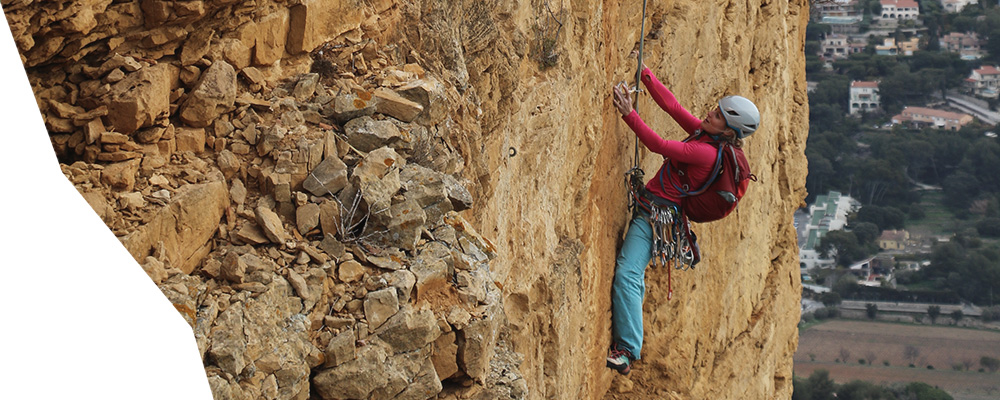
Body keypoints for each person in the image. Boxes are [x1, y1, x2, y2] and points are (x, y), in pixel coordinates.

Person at [606, 61, 760, 375]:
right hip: (656, 211)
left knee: (627, 274)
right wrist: (644, 72)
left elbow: (659, 145)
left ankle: (626, 351)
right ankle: (628, 343)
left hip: (656, 217)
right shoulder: (707, 136)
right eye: (715, 109)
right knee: (633, 274)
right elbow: (673, 107)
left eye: (717, 115)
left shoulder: (706, 152)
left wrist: (628, 113)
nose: (709, 114)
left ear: (729, 131)